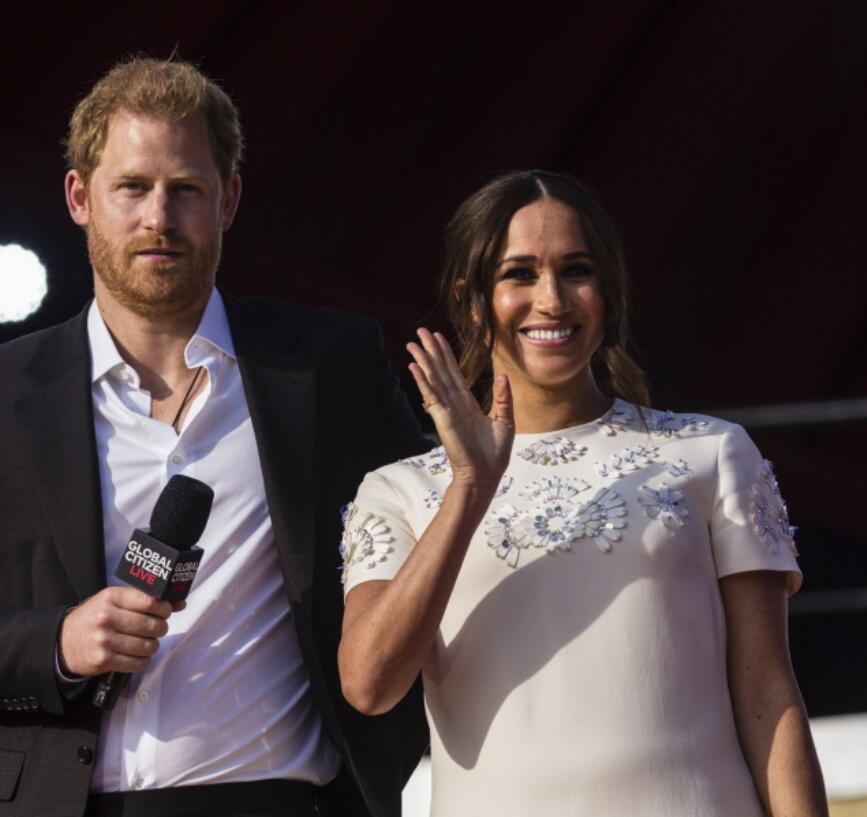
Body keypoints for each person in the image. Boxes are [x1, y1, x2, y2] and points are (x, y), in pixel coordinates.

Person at [0, 58, 429, 817]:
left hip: (285, 800)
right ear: (80, 197)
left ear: (228, 199)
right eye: (132, 187)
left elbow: (441, 536)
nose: (158, 218)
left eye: (186, 189)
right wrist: (59, 644)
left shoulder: (330, 368)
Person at [337, 170, 828, 816]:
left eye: (575, 269)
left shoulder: (711, 454)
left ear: (609, 287)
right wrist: (471, 488)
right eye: (519, 273)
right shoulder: (400, 490)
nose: (552, 298)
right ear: (471, 295)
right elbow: (369, 684)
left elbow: (769, 693)